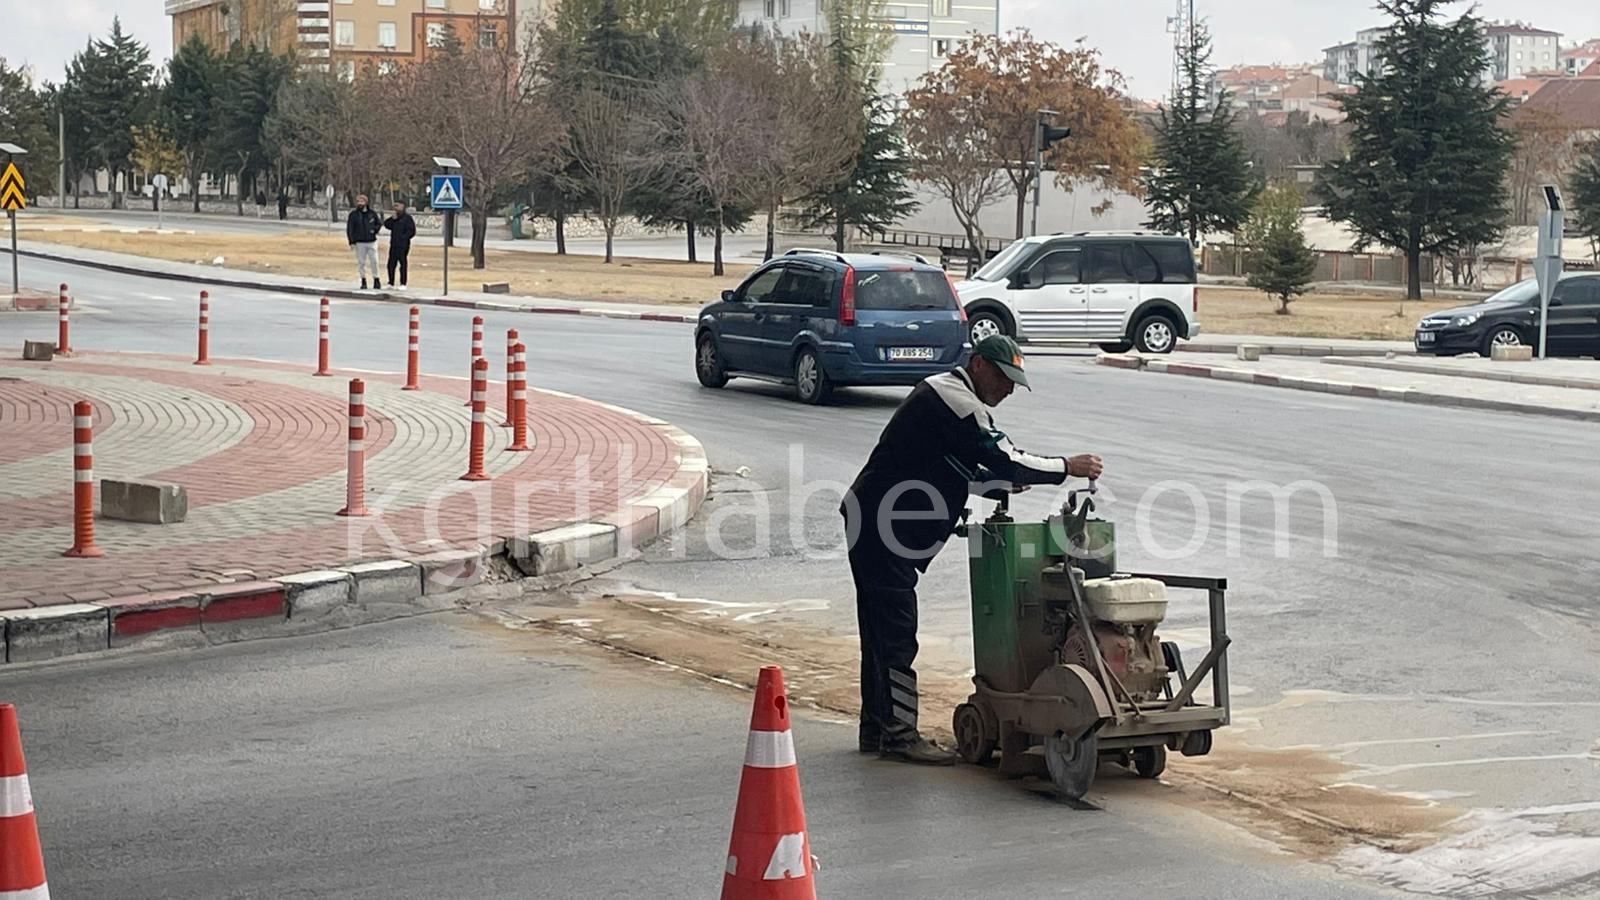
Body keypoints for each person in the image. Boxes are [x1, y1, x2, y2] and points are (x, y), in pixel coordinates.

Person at [841, 335, 1104, 765]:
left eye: (1014, 382)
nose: (1008, 389)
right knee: (895, 635)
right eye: (1003, 378)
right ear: (978, 365)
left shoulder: (945, 396)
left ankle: (878, 730)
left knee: (879, 633)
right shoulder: (958, 402)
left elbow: (949, 465)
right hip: (883, 527)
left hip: (873, 520)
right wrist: (1066, 467)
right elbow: (1006, 457)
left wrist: (994, 483)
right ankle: (900, 736)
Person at [346, 195, 382, 290]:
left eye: (361, 201)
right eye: (358, 201)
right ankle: (363, 280)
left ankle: (376, 279)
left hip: (371, 241)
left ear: (366, 202)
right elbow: (350, 228)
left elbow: (378, 223)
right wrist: (351, 241)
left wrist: (374, 230)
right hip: (360, 242)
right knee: (361, 262)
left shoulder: (372, 214)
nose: (359, 203)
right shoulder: (354, 215)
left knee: (374, 261)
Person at [382, 202, 416, 290]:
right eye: (395, 206)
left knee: (403, 263)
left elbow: (412, 231)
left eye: (398, 206)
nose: (396, 208)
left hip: (403, 245)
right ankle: (391, 282)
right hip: (393, 244)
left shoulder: (407, 218)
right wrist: (392, 219)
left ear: (403, 206)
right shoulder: (395, 218)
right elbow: (387, 225)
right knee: (391, 264)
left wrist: (404, 238)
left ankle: (403, 283)